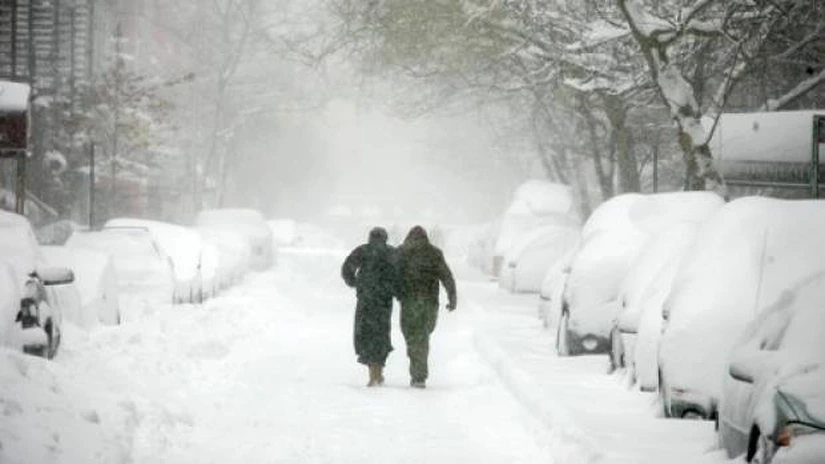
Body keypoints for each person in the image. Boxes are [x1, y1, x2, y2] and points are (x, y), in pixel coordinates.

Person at [395, 225, 457, 389]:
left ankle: (418, 373)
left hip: (409, 302)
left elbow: (393, 275)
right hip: (429, 303)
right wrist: (452, 297)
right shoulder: (434, 253)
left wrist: (395, 293)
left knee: (413, 337)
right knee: (423, 335)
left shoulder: (402, 252)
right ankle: (419, 374)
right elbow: (447, 276)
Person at [341, 227, 397, 387]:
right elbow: (400, 273)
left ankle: (373, 374)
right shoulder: (391, 253)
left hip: (366, 300)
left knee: (366, 334)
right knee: (381, 334)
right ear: (385, 238)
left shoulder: (363, 251)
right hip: (384, 302)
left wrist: (354, 283)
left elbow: (347, 268)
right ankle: (377, 373)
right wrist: (395, 289)